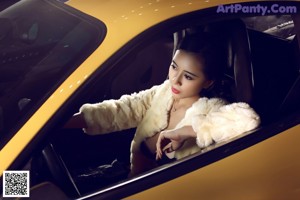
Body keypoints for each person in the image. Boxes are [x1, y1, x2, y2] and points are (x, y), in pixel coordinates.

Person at [65, 32, 260, 177]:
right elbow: (123, 110)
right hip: (131, 177)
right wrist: (62, 122)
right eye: (174, 67)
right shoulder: (164, 92)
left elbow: (247, 121)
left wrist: (185, 132)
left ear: (208, 82)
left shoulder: (212, 110)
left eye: (189, 76)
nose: (175, 80)